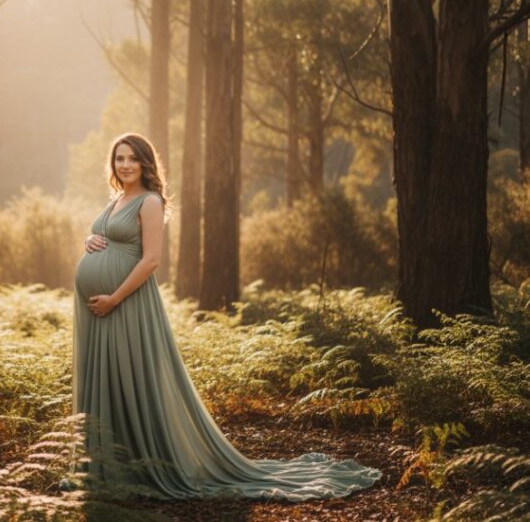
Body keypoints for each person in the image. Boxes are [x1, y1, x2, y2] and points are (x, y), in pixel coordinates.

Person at [69, 132, 382, 501]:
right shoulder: (118, 198)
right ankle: (107, 464)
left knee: (131, 378)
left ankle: (142, 464)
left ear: (145, 163)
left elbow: (151, 260)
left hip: (126, 305)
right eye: (119, 158)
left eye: (132, 159)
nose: (125, 165)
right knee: (106, 377)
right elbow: (107, 239)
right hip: (99, 310)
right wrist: (89, 241)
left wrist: (115, 298)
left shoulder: (150, 201)